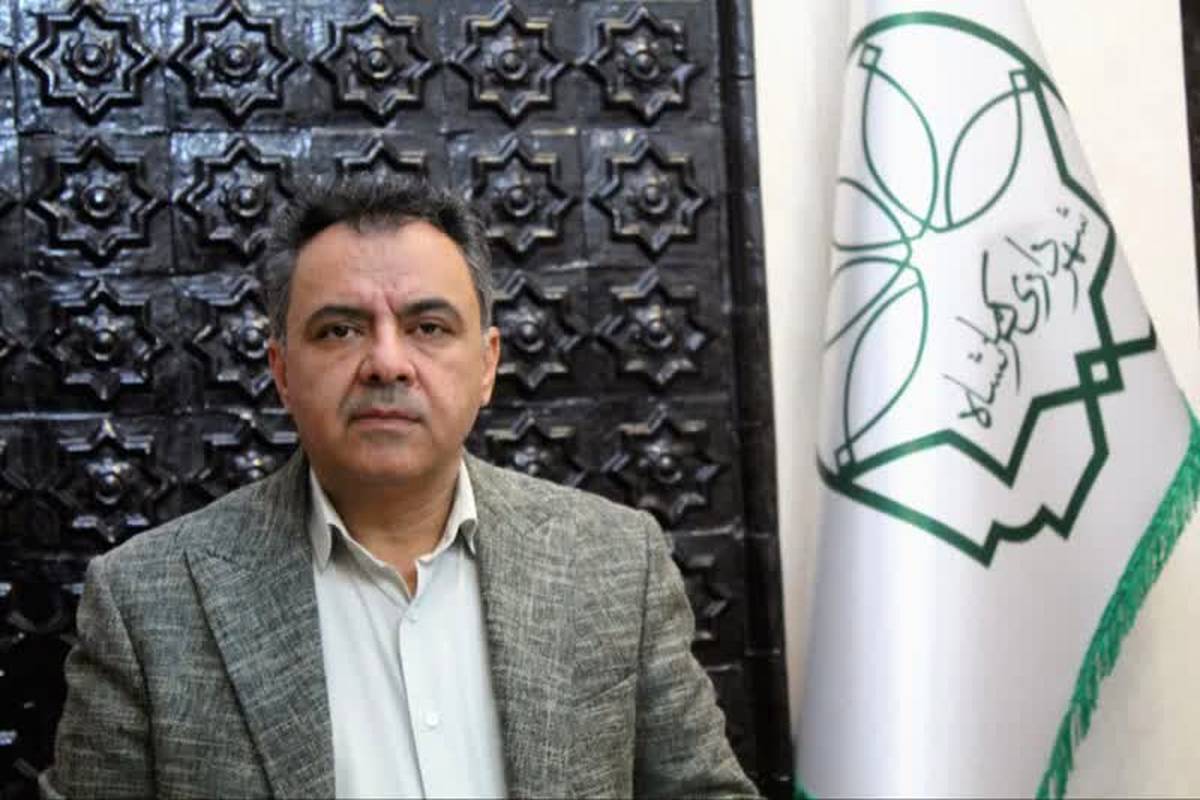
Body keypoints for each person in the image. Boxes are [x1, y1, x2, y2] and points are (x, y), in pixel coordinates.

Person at [41, 177, 758, 798]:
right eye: (339, 331)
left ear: (487, 364)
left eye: (428, 326)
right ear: (282, 372)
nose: (387, 362)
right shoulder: (146, 601)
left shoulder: (615, 563)